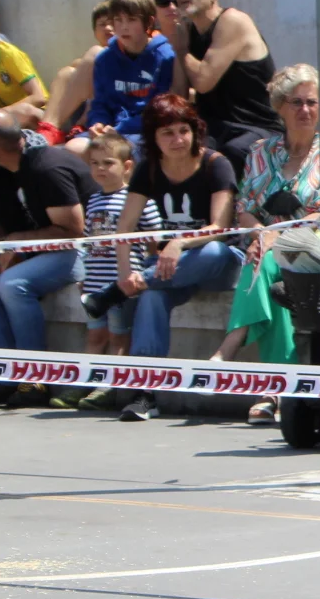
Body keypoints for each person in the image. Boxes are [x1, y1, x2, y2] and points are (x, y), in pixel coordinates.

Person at [102, 94, 243, 421]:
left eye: (184, 130)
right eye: (167, 133)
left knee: (212, 251)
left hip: (218, 261)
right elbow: (125, 228)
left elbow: (220, 228)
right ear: (153, 138)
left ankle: (116, 293)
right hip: (170, 270)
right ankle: (145, 393)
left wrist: (179, 242)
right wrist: (125, 275)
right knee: (151, 297)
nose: (178, 139)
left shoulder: (215, 164)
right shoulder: (148, 169)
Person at [213, 65, 320, 402]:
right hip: (268, 245)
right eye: (296, 102)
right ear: (280, 107)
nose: (305, 110)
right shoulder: (261, 151)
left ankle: (230, 345)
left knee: (266, 258)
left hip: (315, 242)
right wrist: (262, 235)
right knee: (270, 270)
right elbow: (245, 207)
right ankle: (276, 394)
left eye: (312, 102)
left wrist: (277, 236)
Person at [0, 111, 93, 406]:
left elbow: (72, 230)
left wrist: (18, 245)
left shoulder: (47, 167)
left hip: (83, 249)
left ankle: (34, 376)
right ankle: (1, 373)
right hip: (37, 247)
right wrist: (11, 244)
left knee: (13, 283)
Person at [62, 133, 157, 411]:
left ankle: (109, 386)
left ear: (127, 166)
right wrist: (84, 276)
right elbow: (88, 241)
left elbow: (154, 237)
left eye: (108, 163)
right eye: (94, 163)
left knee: (119, 336)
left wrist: (144, 267)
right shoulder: (92, 200)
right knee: (95, 336)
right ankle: (84, 382)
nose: (100, 169)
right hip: (95, 283)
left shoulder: (138, 199)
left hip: (121, 285)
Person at [165, 0, 283, 171]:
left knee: (230, 153)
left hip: (256, 127)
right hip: (214, 127)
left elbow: (203, 82)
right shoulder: (187, 31)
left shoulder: (233, 21)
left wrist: (182, 49)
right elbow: (179, 92)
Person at [73, 0, 175, 154]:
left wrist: (120, 130)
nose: (124, 27)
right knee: (74, 148)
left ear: (149, 22)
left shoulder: (165, 57)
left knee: (123, 153)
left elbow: (160, 110)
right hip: (111, 130)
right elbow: (100, 103)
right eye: (118, 20)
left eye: (131, 20)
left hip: (145, 132)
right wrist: (98, 124)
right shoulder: (104, 59)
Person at [46, 2, 116, 134]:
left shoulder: (122, 54)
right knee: (65, 73)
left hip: (106, 110)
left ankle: (83, 123)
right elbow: (76, 66)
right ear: (95, 32)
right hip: (82, 105)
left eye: (112, 23)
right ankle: (48, 127)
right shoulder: (92, 54)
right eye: (102, 24)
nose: (108, 28)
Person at [0, 7, 47, 124]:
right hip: (3, 116)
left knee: (25, 111)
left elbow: (39, 97)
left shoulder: (9, 54)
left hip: (35, 114)